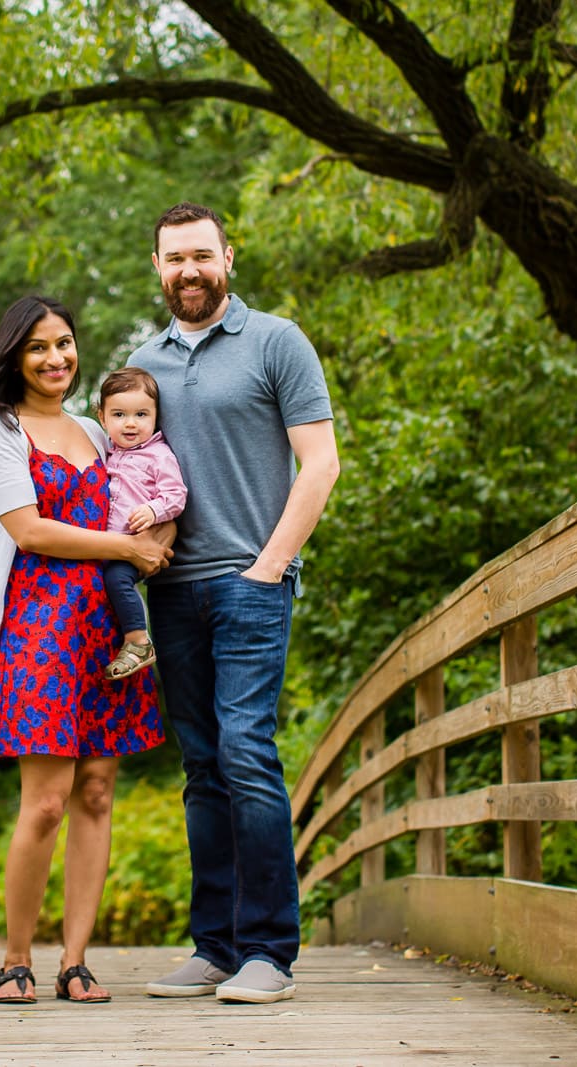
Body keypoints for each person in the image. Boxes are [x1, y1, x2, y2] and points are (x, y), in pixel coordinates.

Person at [132, 203, 341, 1004]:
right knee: (201, 766)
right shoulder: (142, 360)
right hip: (173, 590)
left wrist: (270, 566)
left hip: (253, 581)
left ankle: (268, 953)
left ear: (228, 258)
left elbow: (319, 464)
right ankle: (214, 945)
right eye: (173, 258)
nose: (188, 270)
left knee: (247, 752)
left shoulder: (276, 341)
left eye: (201, 256)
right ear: (157, 267)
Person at [0, 294, 172, 1006]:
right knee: (46, 800)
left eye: (65, 343)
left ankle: (74, 960)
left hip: (104, 628)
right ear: (14, 356)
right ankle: (13, 956)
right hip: (37, 627)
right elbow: (31, 531)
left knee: (97, 790)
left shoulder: (94, 426)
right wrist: (128, 547)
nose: (57, 358)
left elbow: (154, 493)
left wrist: (155, 542)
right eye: (39, 347)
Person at [94, 366, 187, 680]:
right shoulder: (106, 453)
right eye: (119, 415)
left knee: (117, 580)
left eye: (141, 415)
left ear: (155, 417)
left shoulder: (158, 455)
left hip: (134, 545)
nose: (130, 423)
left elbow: (176, 494)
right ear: (102, 418)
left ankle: (138, 642)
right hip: (105, 545)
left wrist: (154, 510)